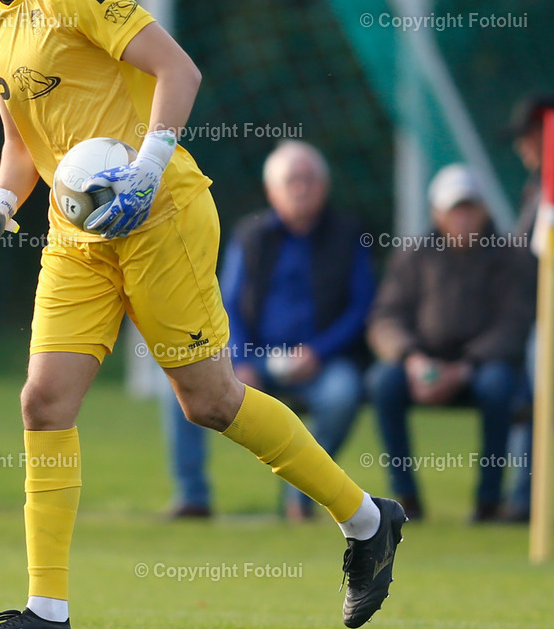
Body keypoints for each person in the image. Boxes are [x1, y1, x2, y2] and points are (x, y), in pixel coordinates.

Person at [0, 0, 406, 629]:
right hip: (77, 236)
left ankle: (367, 520)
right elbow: (23, 138)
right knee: (42, 402)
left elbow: (177, 69)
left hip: (160, 215)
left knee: (211, 402)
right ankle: (45, 618)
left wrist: (146, 169)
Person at [163, 141, 375, 521]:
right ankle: (192, 496)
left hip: (322, 362)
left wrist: (318, 353)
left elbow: (361, 309)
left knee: (343, 394)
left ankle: (301, 494)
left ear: (324, 187)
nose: (302, 187)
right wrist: (241, 359)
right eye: (292, 180)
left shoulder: (349, 235)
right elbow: (224, 303)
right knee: (180, 387)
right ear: (272, 191)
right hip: (254, 361)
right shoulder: (250, 235)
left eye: (310, 179)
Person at [366, 164, 534, 522]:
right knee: (383, 382)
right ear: (437, 214)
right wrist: (412, 358)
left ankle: (488, 501)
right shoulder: (413, 256)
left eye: (469, 208)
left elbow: (514, 325)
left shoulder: (508, 258)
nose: (462, 218)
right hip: (422, 365)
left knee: (498, 384)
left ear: (483, 211)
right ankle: (405, 498)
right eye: (454, 209)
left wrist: (464, 367)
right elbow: (385, 318)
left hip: (482, 366)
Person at [503, 95, 550, 521]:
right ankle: (523, 499)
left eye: (528, 136)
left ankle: (525, 499)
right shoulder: (536, 188)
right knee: (527, 401)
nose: (522, 147)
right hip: (534, 318)